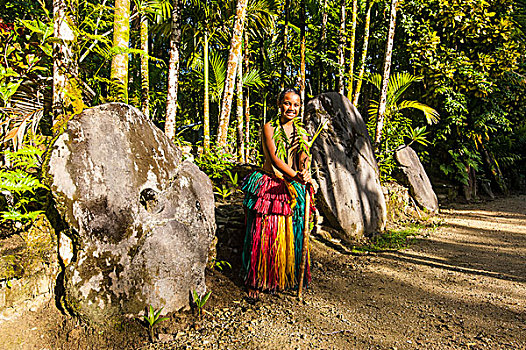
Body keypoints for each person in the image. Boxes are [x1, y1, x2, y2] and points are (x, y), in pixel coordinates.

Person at [241, 88, 317, 299]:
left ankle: (283, 277)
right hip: (271, 185)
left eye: (296, 104)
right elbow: (275, 159)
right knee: (264, 234)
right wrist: (296, 175)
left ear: (300, 108)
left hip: (291, 184)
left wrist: (304, 170)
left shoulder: (301, 133)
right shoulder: (269, 128)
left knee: (290, 233)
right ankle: (256, 280)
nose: (291, 108)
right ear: (279, 104)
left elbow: (301, 157)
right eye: (287, 103)